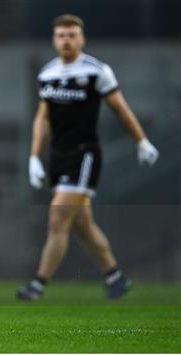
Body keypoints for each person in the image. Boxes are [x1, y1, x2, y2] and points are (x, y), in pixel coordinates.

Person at [17, 15, 159, 301]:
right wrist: (34, 156)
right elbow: (43, 117)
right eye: (61, 35)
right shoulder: (48, 74)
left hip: (84, 154)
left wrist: (141, 141)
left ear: (82, 38)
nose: (66, 40)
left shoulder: (96, 71)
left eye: (71, 35)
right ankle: (116, 277)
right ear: (54, 39)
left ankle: (38, 284)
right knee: (81, 222)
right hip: (58, 154)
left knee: (58, 217)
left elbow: (120, 108)